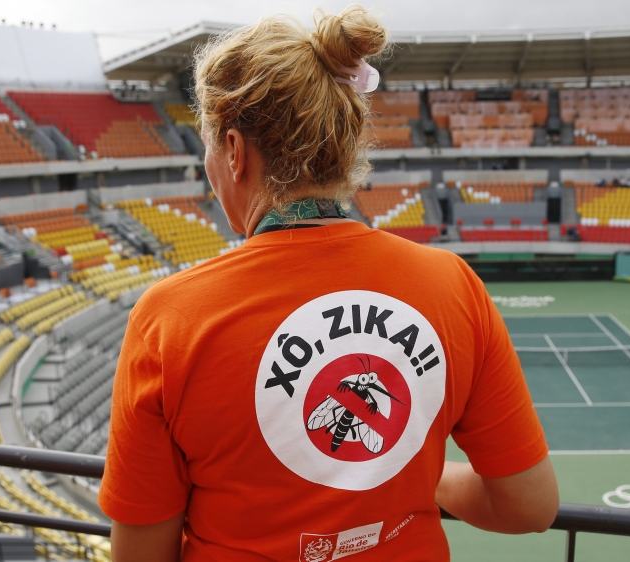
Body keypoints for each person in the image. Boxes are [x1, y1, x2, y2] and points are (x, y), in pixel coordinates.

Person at [99, 6, 558, 561]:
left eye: (209, 149)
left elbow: (141, 554)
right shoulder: (452, 285)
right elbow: (529, 506)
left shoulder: (169, 318)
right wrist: (414, 471)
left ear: (234, 152)